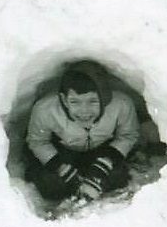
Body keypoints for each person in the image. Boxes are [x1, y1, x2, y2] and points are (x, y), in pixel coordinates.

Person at [25, 60, 139, 204]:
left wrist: (105, 163)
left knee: (119, 178)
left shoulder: (121, 105)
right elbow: (37, 141)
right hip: (63, 150)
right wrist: (60, 167)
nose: (84, 111)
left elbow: (128, 135)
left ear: (104, 98)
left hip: (102, 149)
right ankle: (76, 189)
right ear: (64, 100)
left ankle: (92, 184)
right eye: (75, 102)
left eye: (92, 101)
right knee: (51, 186)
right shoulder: (46, 109)